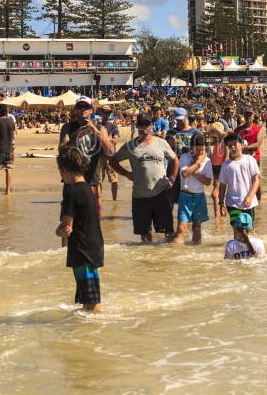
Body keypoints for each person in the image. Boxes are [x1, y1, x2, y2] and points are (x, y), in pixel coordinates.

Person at [110, 114, 179, 243]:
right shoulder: (130, 146)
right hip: (140, 196)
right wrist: (126, 174)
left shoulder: (161, 142)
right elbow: (113, 161)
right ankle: (147, 261)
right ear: (137, 126)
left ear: (151, 126)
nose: (144, 127)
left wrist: (172, 179)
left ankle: (166, 261)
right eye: (141, 125)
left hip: (161, 194)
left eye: (146, 124)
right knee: (145, 237)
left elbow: (175, 160)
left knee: (168, 234)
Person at [55, 146, 104, 312]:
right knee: (87, 299)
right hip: (93, 247)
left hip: (82, 250)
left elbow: (66, 227)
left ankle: (97, 333)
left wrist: (58, 231)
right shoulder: (89, 189)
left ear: (65, 169)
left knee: (91, 302)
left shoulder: (72, 192)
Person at [174, 134, 213, 244]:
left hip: (199, 196)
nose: (200, 152)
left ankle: (195, 252)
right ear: (192, 148)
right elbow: (185, 174)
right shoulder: (185, 157)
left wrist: (194, 172)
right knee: (181, 228)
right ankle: (176, 253)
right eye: (198, 149)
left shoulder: (208, 161)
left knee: (197, 228)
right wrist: (198, 163)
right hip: (185, 196)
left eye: (202, 149)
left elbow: (208, 182)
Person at [217, 133, 260, 223]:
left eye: (235, 144)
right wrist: (221, 203)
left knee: (248, 228)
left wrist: (250, 197)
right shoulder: (226, 165)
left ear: (241, 144)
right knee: (237, 229)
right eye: (230, 145)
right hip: (232, 203)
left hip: (249, 203)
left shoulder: (249, 160)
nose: (233, 147)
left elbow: (256, 180)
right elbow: (222, 185)